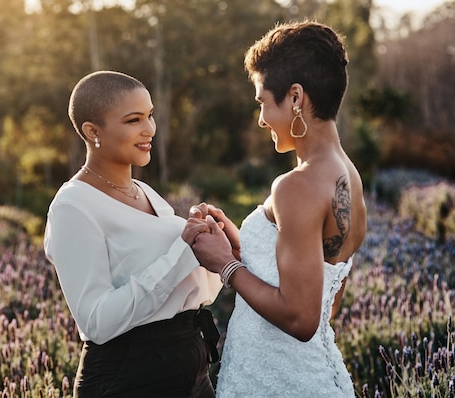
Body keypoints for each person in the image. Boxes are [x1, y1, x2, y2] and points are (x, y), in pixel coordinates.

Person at [187, 21, 367, 397]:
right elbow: (320, 301)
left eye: (262, 102)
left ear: (296, 97)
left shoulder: (296, 186)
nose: (261, 118)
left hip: (277, 383)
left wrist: (226, 265)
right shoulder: (348, 176)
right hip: (308, 375)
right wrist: (241, 248)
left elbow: (301, 319)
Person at [43, 70, 223, 398]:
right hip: (130, 378)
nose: (149, 129)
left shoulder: (145, 192)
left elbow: (188, 290)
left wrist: (215, 244)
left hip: (191, 368)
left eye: (150, 116)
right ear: (92, 131)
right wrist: (182, 254)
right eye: (133, 120)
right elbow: (97, 321)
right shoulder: (73, 206)